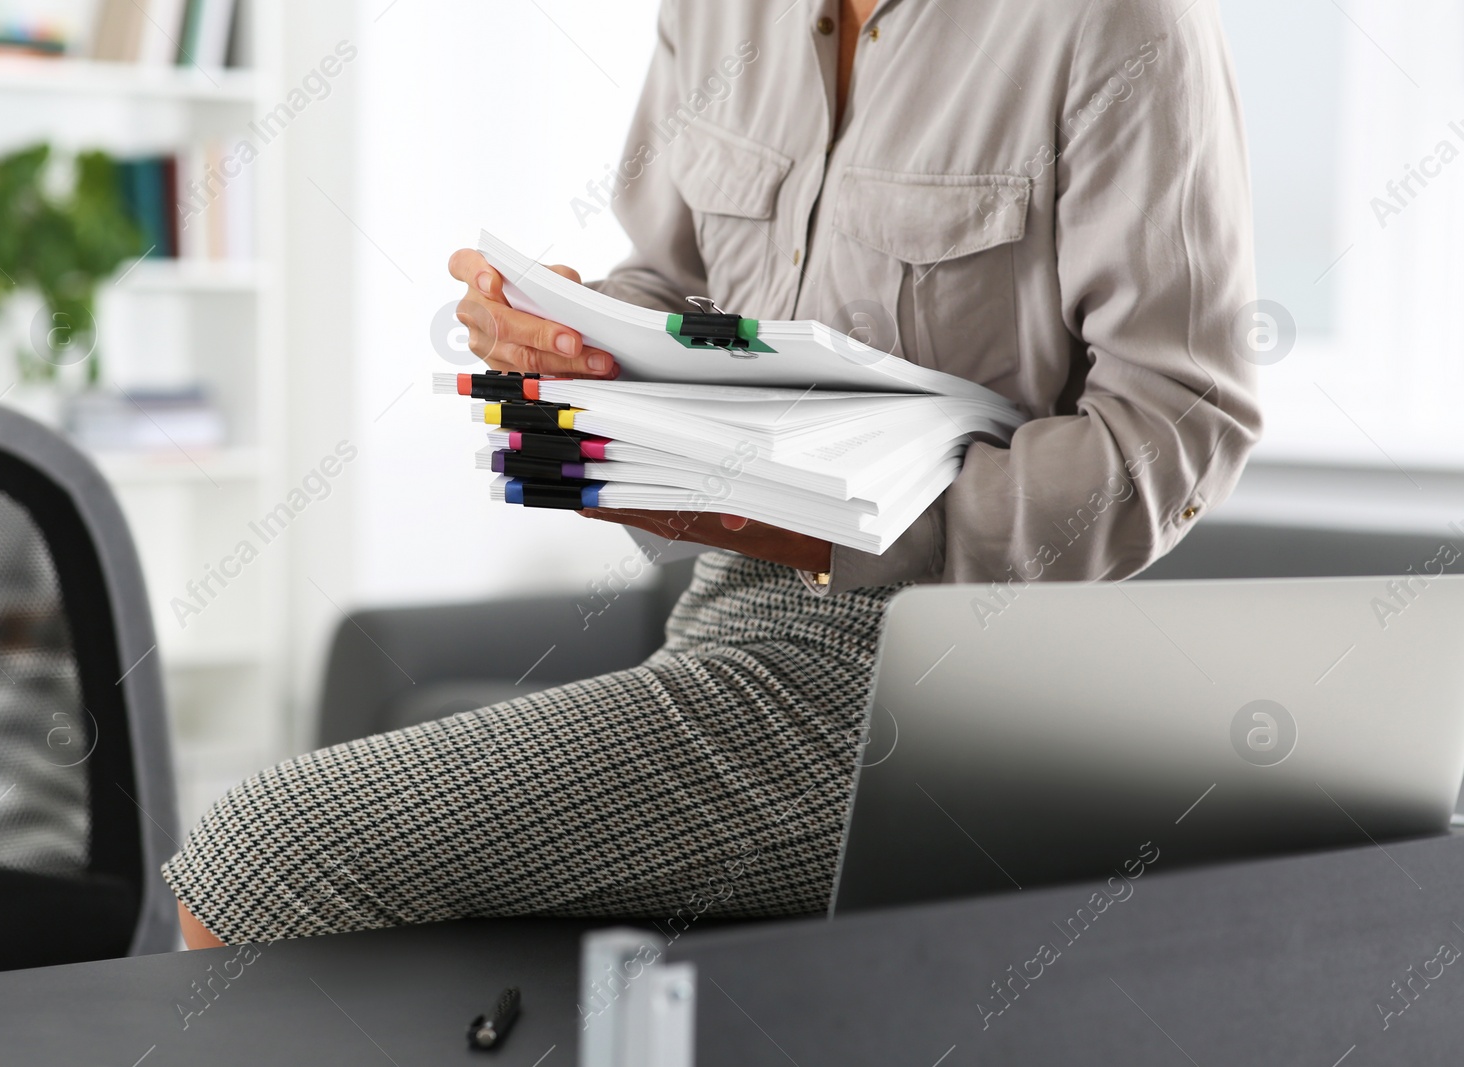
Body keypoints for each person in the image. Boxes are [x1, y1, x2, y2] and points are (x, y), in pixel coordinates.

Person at [166, 0, 1261, 948]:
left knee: (255, 856)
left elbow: (1177, 423)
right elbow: (676, 287)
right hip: (726, 613)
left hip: (948, 664)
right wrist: (573, 335)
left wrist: (855, 525)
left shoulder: (1117, 21)